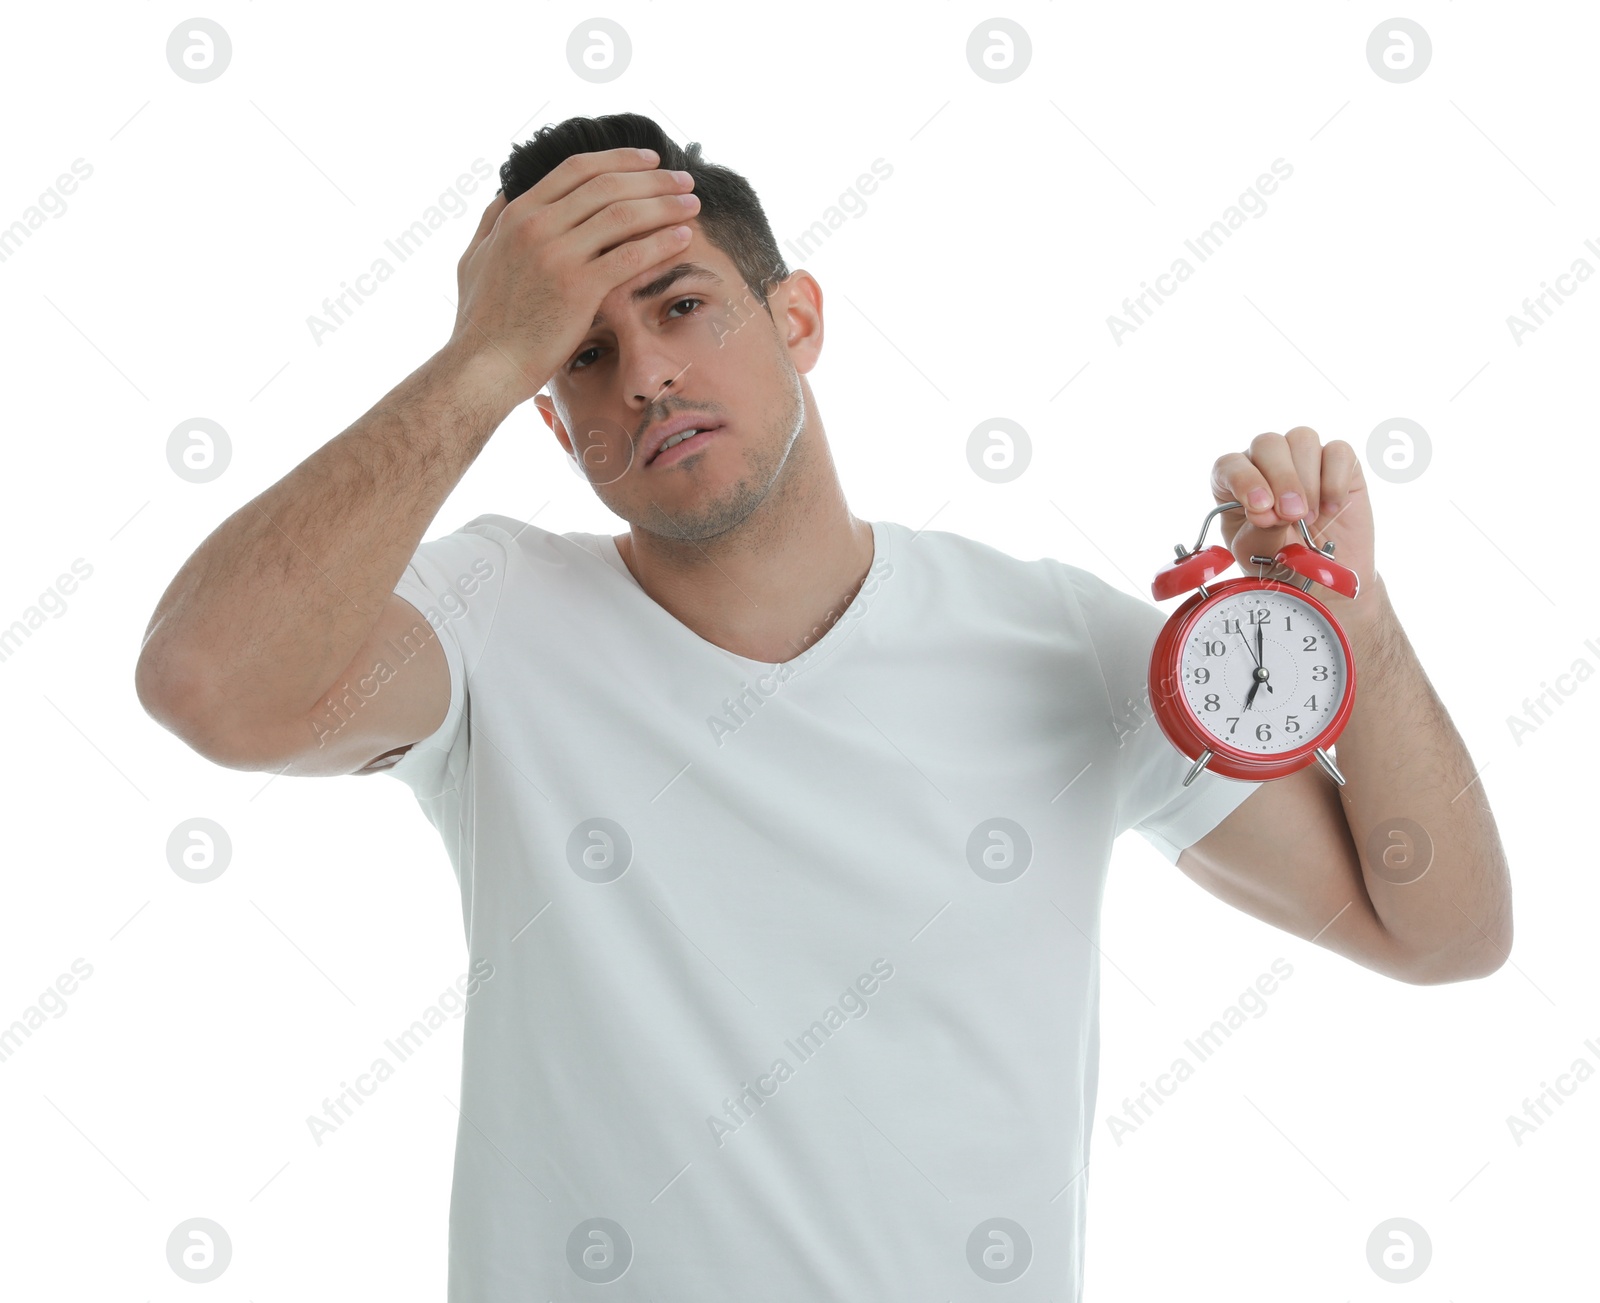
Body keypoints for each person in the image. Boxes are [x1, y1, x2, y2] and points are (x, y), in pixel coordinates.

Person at [134, 112, 1512, 1302]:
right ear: (551, 421)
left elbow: (1443, 931)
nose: (648, 376)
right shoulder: (490, 627)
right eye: (583, 354)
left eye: (681, 306)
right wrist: (484, 356)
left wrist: (1359, 626)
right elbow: (210, 683)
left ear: (794, 319)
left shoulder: (1057, 645)